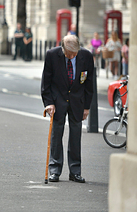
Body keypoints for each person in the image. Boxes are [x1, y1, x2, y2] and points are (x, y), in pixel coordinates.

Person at [41, 35, 94, 183]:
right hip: (58, 102)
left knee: (76, 136)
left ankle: (75, 171)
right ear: (62, 48)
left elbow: (89, 83)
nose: (71, 56)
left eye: (74, 53)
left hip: (78, 101)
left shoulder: (86, 56)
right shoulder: (52, 55)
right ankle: (55, 170)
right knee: (56, 136)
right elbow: (46, 82)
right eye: (68, 53)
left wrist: (86, 107)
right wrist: (49, 103)